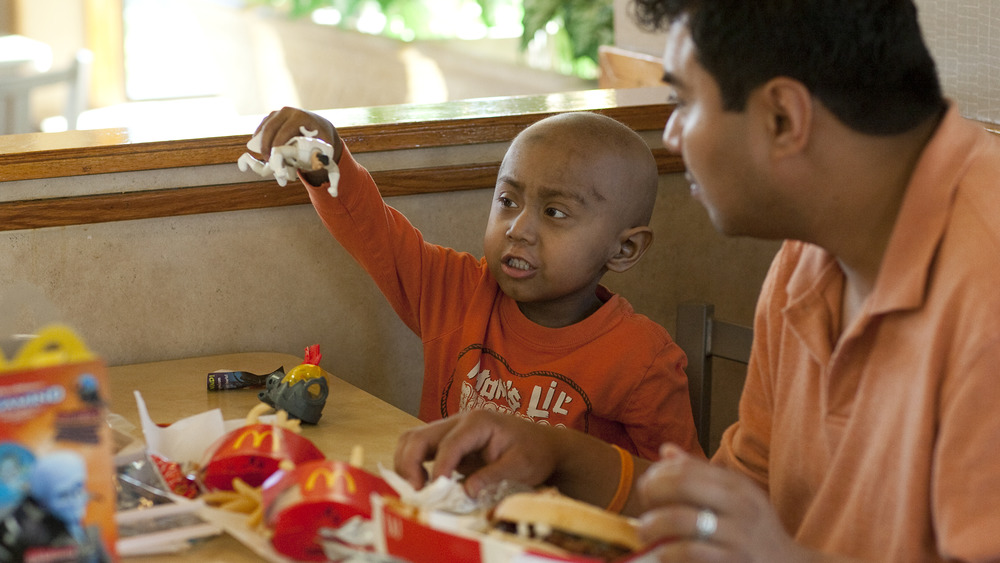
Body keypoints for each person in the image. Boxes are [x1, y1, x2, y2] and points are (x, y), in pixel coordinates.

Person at [393, 0, 1000, 561]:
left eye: (684, 103)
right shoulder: (807, 259)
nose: (674, 137)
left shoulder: (984, 285)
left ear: (783, 116)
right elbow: (733, 499)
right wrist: (553, 452)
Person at [246, 109, 702, 460]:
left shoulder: (642, 360)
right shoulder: (457, 293)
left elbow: (683, 499)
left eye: (555, 212)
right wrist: (326, 157)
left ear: (624, 250)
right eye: (507, 200)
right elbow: (374, 232)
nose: (518, 228)